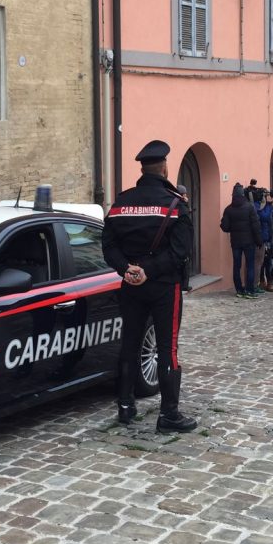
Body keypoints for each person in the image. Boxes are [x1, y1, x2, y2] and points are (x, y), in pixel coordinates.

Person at [102, 140, 196, 432]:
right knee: (167, 348)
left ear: (142, 168)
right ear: (165, 167)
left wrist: (127, 269)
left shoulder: (121, 202)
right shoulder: (174, 204)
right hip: (164, 285)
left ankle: (126, 406)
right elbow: (181, 252)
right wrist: (149, 270)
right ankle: (168, 415)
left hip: (130, 284)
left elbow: (107, 245)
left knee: (129, 343)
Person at [220, 183, 262, 298]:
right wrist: (259, 241)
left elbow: (224, 227)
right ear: (243, 194)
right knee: (250, 265)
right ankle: (249, 290)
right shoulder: (249, 207)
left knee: (236, 266)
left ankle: (239, 289)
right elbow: (256, 226)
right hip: (249, 242)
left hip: (235, 242)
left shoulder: (228, 209)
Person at [257, 190, 273, 292]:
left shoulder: (269, 208)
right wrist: (269, 205)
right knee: (263, 262)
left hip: (270, 237)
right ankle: (262, 282)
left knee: (270, 262)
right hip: (263, 238)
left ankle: (269, 282)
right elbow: (265, 217)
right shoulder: (260, 208)